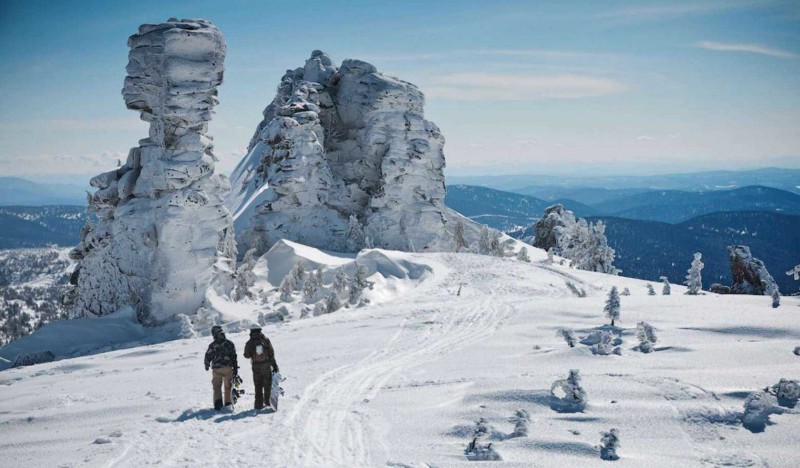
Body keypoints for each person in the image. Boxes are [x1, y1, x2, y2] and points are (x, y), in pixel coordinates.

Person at [243, 326, 279, 410]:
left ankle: (258, 405)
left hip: (256, 366)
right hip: (266, 365)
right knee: (268, 384)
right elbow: (271, 353)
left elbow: (246, 355)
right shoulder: (265, 340)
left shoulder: (249, 342)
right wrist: (274, 365)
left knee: (258, 385)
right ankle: (267, 402)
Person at [204, 325, 239, 411]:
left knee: (217, 386)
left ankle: (218, 404)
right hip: (228, 368)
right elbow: (234, 356)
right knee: (228, 386)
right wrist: (235, 368)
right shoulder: (229, 343)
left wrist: (207, 365)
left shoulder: (213, 345)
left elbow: (208, 355)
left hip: (217, 368)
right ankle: (228, 403)